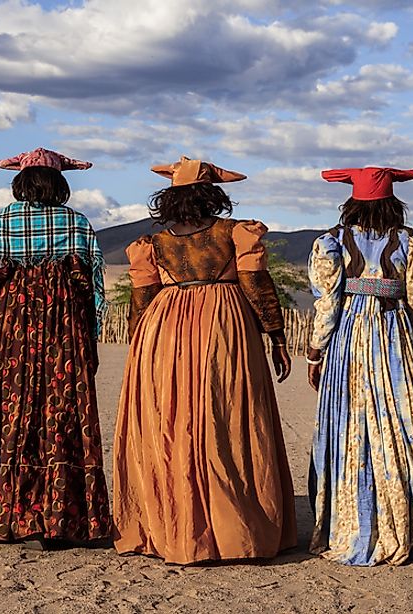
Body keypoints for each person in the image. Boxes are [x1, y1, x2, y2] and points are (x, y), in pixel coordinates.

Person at [112, 156, 297, 564]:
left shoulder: (153, 245)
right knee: (227, 418)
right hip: (223, 326)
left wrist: (138, 346)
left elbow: (141, 300)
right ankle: (236, 528)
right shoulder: (236, 234)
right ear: (212, 194)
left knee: (172, 419)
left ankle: (174, 527)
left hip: (164, 331)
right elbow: (255, 283)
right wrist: (276, 335)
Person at [0, 147, 112, 545]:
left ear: (20, 183)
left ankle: (5, 518)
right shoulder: (77, 225)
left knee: (7, 413)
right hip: (63, 334)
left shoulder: (2, 223)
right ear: (60, 184)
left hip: (8, 335)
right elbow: (93, 292)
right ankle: (59, 521)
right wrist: (88, 341)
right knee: (60, 415)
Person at [305, 166, 413, 566]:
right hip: (394, 335)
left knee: (350, 429)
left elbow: (327, 303)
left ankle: (350, 528)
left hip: (348, 340)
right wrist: (410, 344)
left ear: (351, 203)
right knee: (397, 430)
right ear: (394, 203)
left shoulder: (330, 243)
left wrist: (316, 352)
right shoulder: (412, 243)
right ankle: (401, 527)